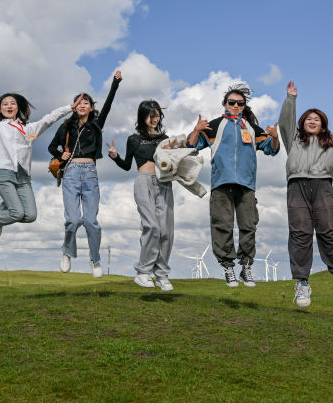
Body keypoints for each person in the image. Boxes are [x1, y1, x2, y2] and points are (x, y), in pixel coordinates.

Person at [0, 72, 75, 247]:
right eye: (5, 104)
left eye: (12, 103)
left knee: (30, 215)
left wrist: (69, 108)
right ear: (0, 109)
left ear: (18, 107)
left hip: (23, 178)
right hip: (3, 175)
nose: (9, 106)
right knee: (17, 213)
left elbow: (49, 119)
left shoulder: (29, 130)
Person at [187, 82, 279, 288]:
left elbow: (272, 150)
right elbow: (191, 145)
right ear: (224, 104)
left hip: (246, 185)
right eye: (232, 102)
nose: (236, 106)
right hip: (221, 183)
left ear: (244, 106)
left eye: (240, 103)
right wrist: (196, 129)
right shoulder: (215, 125)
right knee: (223, 226)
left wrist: (275, 137)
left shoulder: (252, 128)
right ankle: (228, 267)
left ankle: (246, 268)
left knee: (248, 226)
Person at [278, 82, 333, 307]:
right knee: (300, 233)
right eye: (308, 119)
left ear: (323, 125)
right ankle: (302, 283)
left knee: (330, 232)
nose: (312, 121)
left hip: (323, 186)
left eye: (317, 119)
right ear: (303, 123)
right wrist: (291, 99)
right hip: (297, 187)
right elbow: (285, 122)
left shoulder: (332, 141)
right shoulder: (293, 140)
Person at [48, 71, 122, 277]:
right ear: (74, 106)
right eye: (79, 102)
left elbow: (108, 104)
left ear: (91, 107)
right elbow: (51, 147)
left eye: (86, 102)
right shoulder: (66, 126)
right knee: (72, 220)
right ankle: (67, 252)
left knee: (91, 221)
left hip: (90, 173)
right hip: (71, 173)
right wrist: (61, 154)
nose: (82, 104)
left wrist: (115, 83)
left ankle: (95, 260)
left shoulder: (96, 124)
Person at [109, 100, 178, 291]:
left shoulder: (165, 138)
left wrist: (170, 152)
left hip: (164, 183)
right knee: (152, 226)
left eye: (158, 115)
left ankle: (162, 274)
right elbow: (126, 165)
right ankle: (143, 272)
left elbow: (172, 163)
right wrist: (114, 157)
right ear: (143, 116)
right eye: (151, 115)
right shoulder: (133, 139)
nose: (155, 119)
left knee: (166, 232)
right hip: (143, 181)